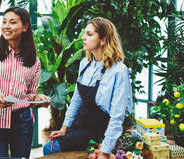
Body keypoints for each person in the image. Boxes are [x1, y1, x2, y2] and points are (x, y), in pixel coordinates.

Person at [43, 17, 133, 159]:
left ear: (103, 39)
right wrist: (64, 128)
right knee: (52, 143)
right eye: (85, 34)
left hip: (99, 131)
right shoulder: (85, 63)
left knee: (50, 148)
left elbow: (117, 116)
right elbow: (77, 99)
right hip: (80, 126)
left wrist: (105, 150)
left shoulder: (119, 70)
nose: (83, 38)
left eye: (89, 34)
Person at [0, 6, 50, 158]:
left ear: (25, 27)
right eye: (4, 21)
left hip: (22, 122)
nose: (6, 26)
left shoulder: (34, 62)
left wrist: (38, 98)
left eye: (12, 22)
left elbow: (30, 94)